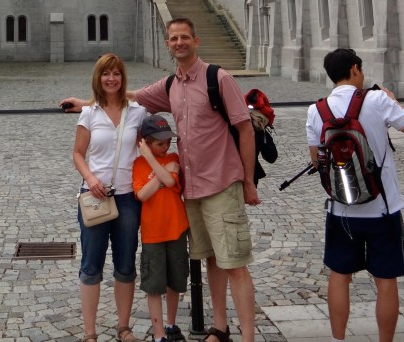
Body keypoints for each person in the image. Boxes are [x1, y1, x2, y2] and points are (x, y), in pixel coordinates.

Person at [63, 18, 259, 342]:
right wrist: (87, 102)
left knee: (234, 262)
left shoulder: (218, 78)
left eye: (184, 37)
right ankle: (220, 329)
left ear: (196, 40)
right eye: (173, 38)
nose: (179, 42)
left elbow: (244, 128)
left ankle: (247, 336)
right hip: (192, 190)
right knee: (211, 259)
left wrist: (248, 182)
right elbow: (128, 95)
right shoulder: (172, 85)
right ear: (167, 44)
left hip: (221, 183)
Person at [306, 48, 404, 342]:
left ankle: (338, 339)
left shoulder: (316, 109)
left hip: (341, 210)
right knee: (386, 281)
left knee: (339, 276)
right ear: (356, 69)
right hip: (382, 208)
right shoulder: (377, 99)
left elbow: (316, 160)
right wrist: (395, 102)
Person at [72, 54, 146, 342]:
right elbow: (78, 153)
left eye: (116, 73)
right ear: (98, 78)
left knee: (126, 264)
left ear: (122, 78)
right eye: (106, 74)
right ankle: (89, 333)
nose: (111, 79)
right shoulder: (89, 113)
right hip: (94, 196)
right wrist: (90, 179)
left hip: (128, 198)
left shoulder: (137, 112)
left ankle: (123, 327)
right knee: (91, 264)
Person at [133, 114, 189, 342]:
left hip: (176, 228)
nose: (165, 147)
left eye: (168, 142)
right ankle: (158, 335)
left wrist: (155, 168)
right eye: (159, 143)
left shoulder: (175, 157)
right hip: (152, 233)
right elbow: (142, 194)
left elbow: (170, 183)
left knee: (175, 281)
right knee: (154, 285)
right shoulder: (138, 164)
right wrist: (155, 166)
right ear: (145, 142)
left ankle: (171, 324)